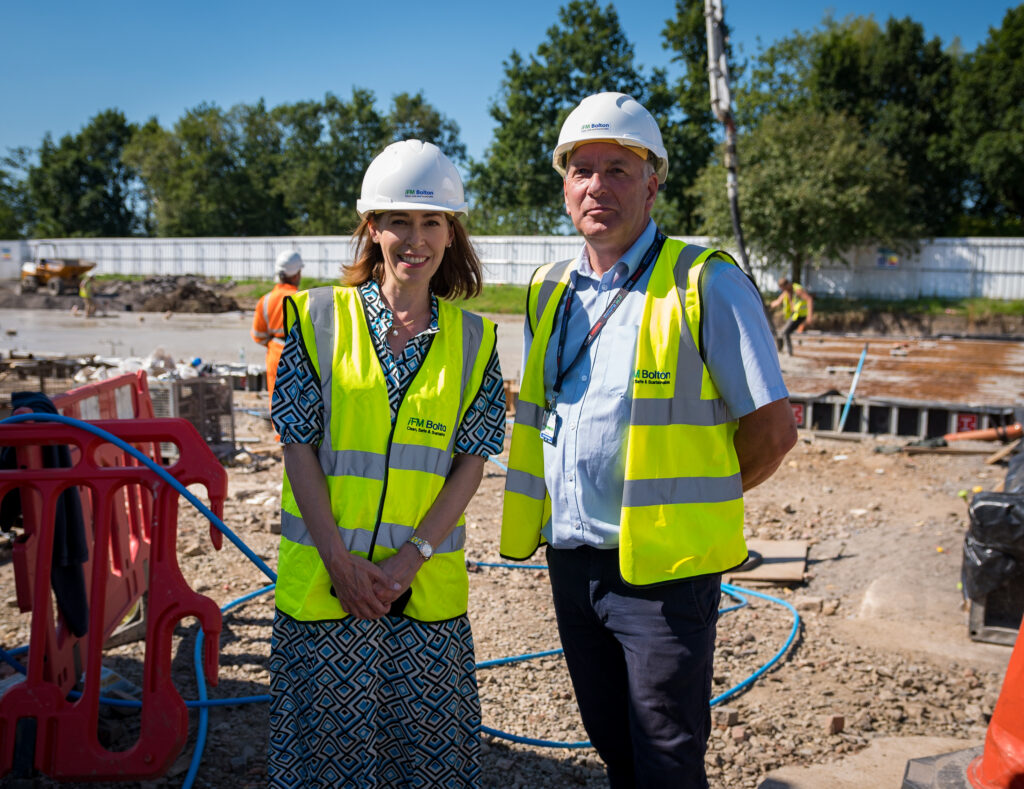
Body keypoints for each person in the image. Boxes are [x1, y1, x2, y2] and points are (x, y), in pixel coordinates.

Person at [500, 92, 797, 789]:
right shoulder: (549, 291)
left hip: (663, 575)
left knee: (665, 752)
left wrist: (686, 501)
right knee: (613, 741)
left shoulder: (704, 282)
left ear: (652, 181)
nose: (597, 185)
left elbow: (773, 431)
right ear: (565, 183)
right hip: (573, 562)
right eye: (582, 169)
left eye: (618, 169)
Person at [268, 139, 506, 788]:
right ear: (371, 227)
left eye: (432, 222)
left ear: (452, 233)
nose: (416, 238)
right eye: (399, 219)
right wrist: (341, 566)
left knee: (425, 765)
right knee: (325, 767)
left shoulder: (476, 339)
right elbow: (298, 446)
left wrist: (409, 560)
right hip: (326, 595)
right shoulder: (318, 318)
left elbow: (472, 460)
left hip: (420, 599)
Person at [251, 250, 304, 407]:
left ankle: (279, 432)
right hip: (300, 355)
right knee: (300, 404)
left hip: (275, 354)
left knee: (278, 404)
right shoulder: (303, 298)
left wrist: (274, 343)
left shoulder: (265, 300)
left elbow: (258, 335)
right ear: (296, 275)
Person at [769, 276, 814, 356]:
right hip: (794, 315)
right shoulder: (787, 291)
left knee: (785, 332)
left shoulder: (797, 290)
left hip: (800, 315)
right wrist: (767, 306)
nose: (783, 291)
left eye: (783, 288)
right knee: (783, 332)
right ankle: (780, 350)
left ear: (787, 285)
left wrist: (809, 316)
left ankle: (789, 353)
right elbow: (778, 301)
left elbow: (809, 299)